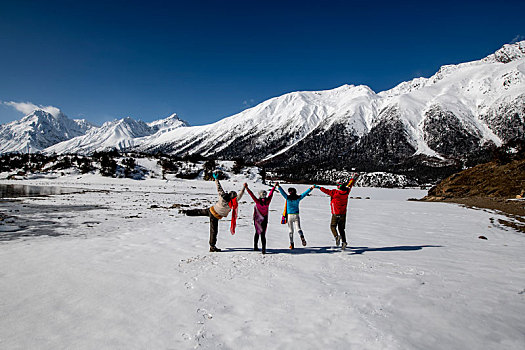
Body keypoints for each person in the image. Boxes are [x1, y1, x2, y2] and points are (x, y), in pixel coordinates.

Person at [183, 173, 246, 252]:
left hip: (211, 209)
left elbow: (219, 188)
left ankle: (187, 212)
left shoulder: (223, 196)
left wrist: (216, 179)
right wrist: (244, 188)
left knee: (199, 211)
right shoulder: (234, 202)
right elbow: (240, 195)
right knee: (213, 231)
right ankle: (212, 247)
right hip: (215, 215)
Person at [315, 174, 358, 250]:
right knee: (341, 229)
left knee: (332, 226)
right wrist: (353, 178)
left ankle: (336, 236)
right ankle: (344, 242)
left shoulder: (334, 193)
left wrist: (319, 187)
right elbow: (350, 184)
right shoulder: (346, 192)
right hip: (343, 214)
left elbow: (326, 191)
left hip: (335, 213)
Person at [277, 184, 315, 249]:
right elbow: (305, 194)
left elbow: (282, 192)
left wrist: (278, 186)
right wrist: (311, 188)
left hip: (289, 216)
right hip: (296, 215)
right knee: (298, 228)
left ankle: (292, 244)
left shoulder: (287, 198)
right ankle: (301, 236)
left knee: (290, 231)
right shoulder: (298, 198)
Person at [245, 182, 277, 254]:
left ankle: (255, 247)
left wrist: (247, 188)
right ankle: (263, 249)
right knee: (263, 234)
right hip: (264, 220)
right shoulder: (267, 201)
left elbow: (251, 195)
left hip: (257, 220)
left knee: (257, 232)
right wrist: (274, 187)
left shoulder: (258, 202)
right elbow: (271, 194)